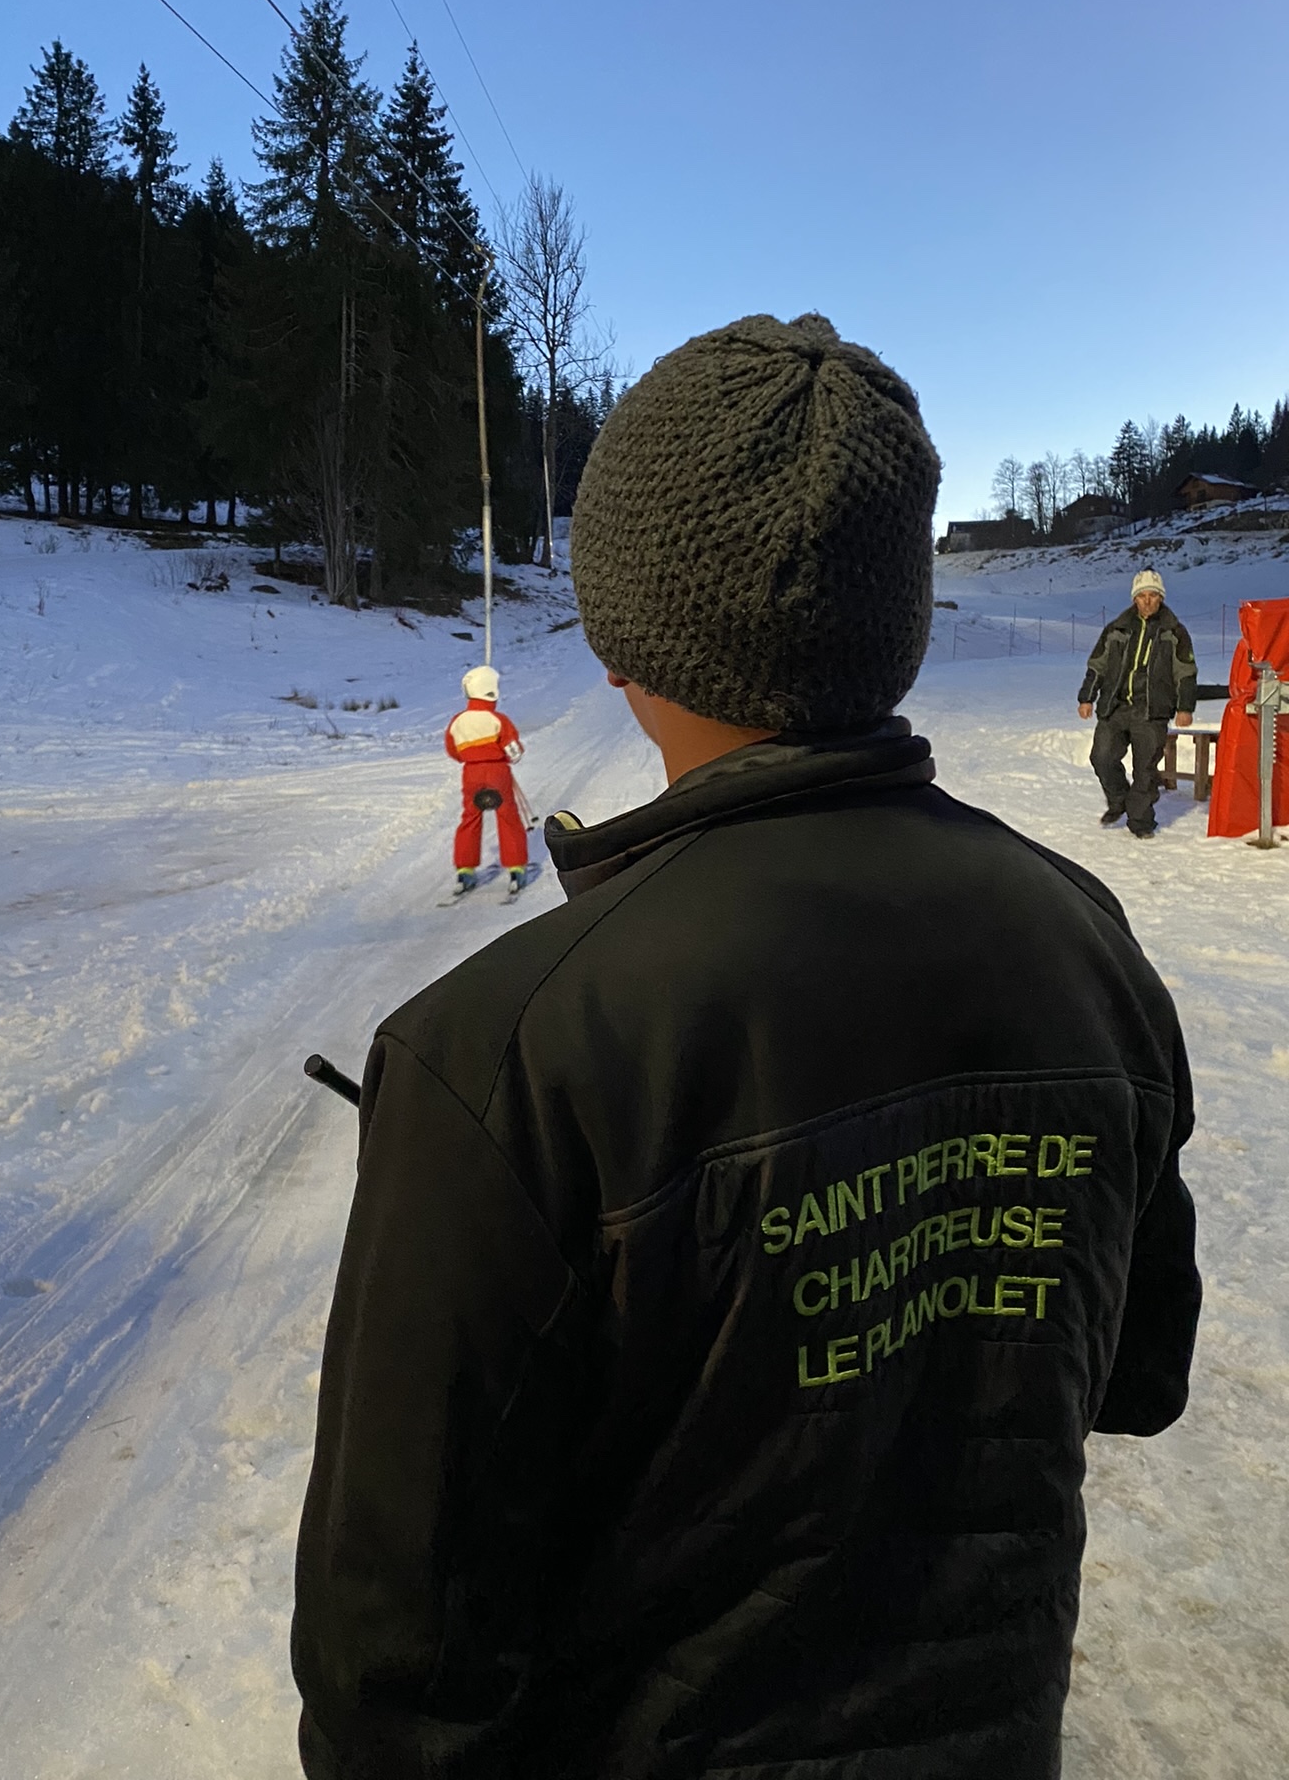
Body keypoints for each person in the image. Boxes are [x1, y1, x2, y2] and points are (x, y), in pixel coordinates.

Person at [293, 314, 1200, 1779]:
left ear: (625, 638)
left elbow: (391, 1666)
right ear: (891, 625)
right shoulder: (1083, 938)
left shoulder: (507, 1051)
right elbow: (1135, 1370)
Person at [1078, 571, 1198, 838]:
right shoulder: (1116, 629)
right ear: (1134, 598)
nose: (1147, 601)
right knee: (1102, 758)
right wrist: (1086, 697)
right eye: (1142, 596)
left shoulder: (1174, 632)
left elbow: (1186, 672)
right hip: (1115, 706)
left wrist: (1185, 707)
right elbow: (1097, 666)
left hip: (1152, 711)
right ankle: (1119, 799)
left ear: (1161, 598)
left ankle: (1141, 822)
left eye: (1153, 595)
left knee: (1145, 771)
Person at [445, 664, 530, 896]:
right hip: (497, 772)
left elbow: (453, 750)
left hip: (471, 774)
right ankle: (516, 868)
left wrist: (471, 757)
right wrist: (507, 756)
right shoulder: (498, 720)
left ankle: (465, 870)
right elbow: (514, 752)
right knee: (508, 817)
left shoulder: (458, 721)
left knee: (470, 817)